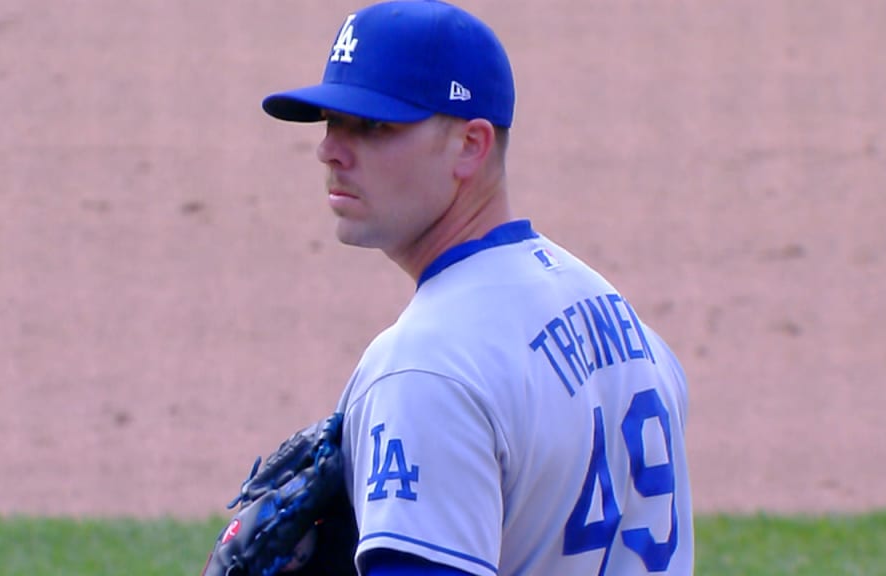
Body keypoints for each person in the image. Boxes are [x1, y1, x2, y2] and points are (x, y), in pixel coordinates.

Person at [261, 1, 694, 574]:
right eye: (332, 122)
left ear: (471, 144)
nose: (331, 150)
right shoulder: (620, 320)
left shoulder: (425, 367)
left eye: (373, 126)